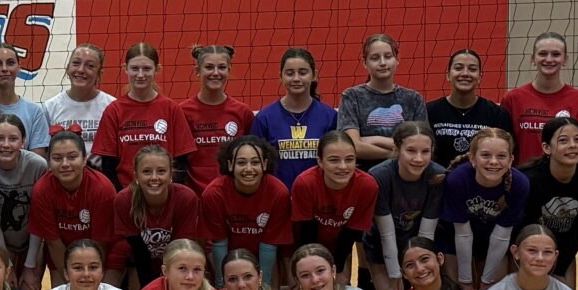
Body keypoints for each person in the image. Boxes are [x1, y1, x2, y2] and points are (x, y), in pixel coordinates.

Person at [517, 116, 578, 282]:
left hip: (565, 254)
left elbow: (577, 233)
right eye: (563, 140)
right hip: (526, 253)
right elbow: (519, 232)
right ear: (546, 148)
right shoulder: (528, 181)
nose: (573, 145)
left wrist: (559, 269)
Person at [440, 126, 526, 290]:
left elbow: (502, 236)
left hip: (494, 241)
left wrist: (487, 282)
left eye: (501, 156)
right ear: (472, 158)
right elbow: (462, 235)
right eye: (486, 155)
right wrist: (465, 281)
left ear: (511, 160)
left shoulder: (519, 184)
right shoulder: (458, 179)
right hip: (454, 240)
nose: (493, 162)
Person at [29, 129, 120, 284]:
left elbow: (101, 242)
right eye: (57, 158)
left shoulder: (102, 189)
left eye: (72, 157)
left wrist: (87, 275)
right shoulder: (42, 190)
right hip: (62, 251)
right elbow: (53, 242)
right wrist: (71, 278)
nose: (65, 164)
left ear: (84, 159)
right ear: (49, 162)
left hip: (104, 251)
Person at [109, 144, 203, 290]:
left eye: (161, 171)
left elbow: (180, 248)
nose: (154, 177)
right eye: (147, 171)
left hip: (174, 257)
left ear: (171, 175)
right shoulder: (124, 199)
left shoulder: (186, 198)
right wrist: (148, 289)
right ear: (136, 176)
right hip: (134, 259)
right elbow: (137, 250)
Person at [369, 122, 446, 290]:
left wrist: (422, 266)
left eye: (425, 151)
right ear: (397, 149)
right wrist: (395, 276)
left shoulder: (437, 176)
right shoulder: (379, 176)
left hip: (418, 241)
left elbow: (426, 234)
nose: (418, 158)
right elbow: (386, 235)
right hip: (381, 247)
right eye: (411, 151)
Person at [0, 115, 47, 290]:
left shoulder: (38, 166)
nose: (6, 145)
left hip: (32, 240)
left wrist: (30, 265)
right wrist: (7, 264)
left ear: (23, 141)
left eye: (13, 139)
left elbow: (39, 216)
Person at [288, 131, 377, 281]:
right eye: (334, 160)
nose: (343, 166)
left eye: (349, 159)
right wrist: (314, 269)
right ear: (320, 162)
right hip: (302, 245)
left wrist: (337, 268)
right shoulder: (305, 183)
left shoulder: (367, 186)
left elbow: (351, 233)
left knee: (340, 282)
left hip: (340, 245)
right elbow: (306, 233)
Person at [204, 135, 290, 285]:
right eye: (241, 163)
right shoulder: (214, 193)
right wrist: (221, 286)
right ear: (230, 165)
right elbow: (219, 243)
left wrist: (263, 288)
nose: (248, 169)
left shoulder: (278, 192)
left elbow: (269, 246)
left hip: (261, 254)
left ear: (264, 164)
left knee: (268, 287)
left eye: (255, 162)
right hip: (225, 253)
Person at [95, 42, 181, 185]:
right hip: (126, 191)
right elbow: (108, 164)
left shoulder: (171, 108)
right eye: (135, 68)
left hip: (164, 191)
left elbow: (180, 160)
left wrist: (170, 191)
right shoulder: (114, 110)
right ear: (125, 69)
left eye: (147, 69)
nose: (140, 75)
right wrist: (121, 194)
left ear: (157, 69)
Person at [338, 33, 427, 165]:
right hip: (364, 172)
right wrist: (393, 154)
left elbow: (422, 145)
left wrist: (374, 139)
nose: (383, 63)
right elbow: (352, 146)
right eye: (375, 58)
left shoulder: (414, 99)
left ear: (397, 60)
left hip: (405, 171)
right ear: (365, 63)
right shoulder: (352, 96)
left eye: (388, 56)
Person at [252, 46, 336, 185]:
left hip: (317, 195)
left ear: (314, 75)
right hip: (278, 195)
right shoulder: (264, 118)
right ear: (281, 76)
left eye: (303, 73)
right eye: (290, 73)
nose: (296, 78)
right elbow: (256, 163)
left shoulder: (330, 117)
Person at [502, 33, 578, 164]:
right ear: (533, 59)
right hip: (523, 174)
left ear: (565, 59)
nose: (549, 59)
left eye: (556, 54)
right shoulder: (513, 99)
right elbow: (503, 145)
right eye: (542, 54)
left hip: (565, 175)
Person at [177, 43, 254, 190]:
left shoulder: (243, 112)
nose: (216, 73)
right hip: (196, 195)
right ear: (197, 71)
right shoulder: (183, 111)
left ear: (229, 70)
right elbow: (179, 162)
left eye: (222, 67)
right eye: (209, 67)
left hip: (232, 194)